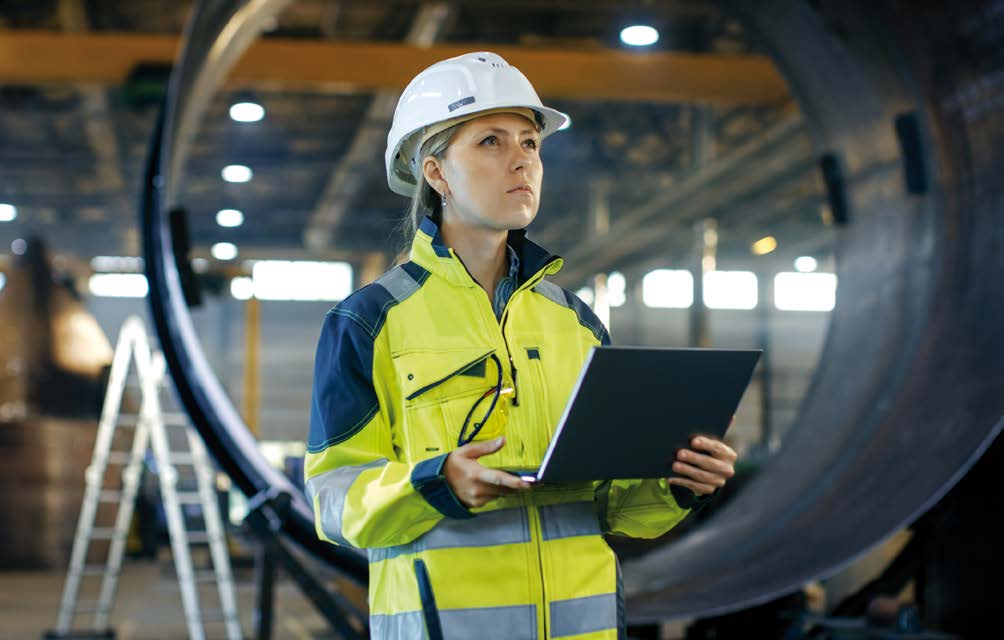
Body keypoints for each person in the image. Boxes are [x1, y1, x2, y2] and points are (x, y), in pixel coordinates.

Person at [305, 51, 737, 639]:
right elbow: (334, 501)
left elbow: (614, 507)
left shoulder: (575, 323)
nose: (521, 161)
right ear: (436, 174)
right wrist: (439, 482)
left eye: (530, 143)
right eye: (490, 141)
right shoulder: (369, 322)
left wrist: (679, 482)